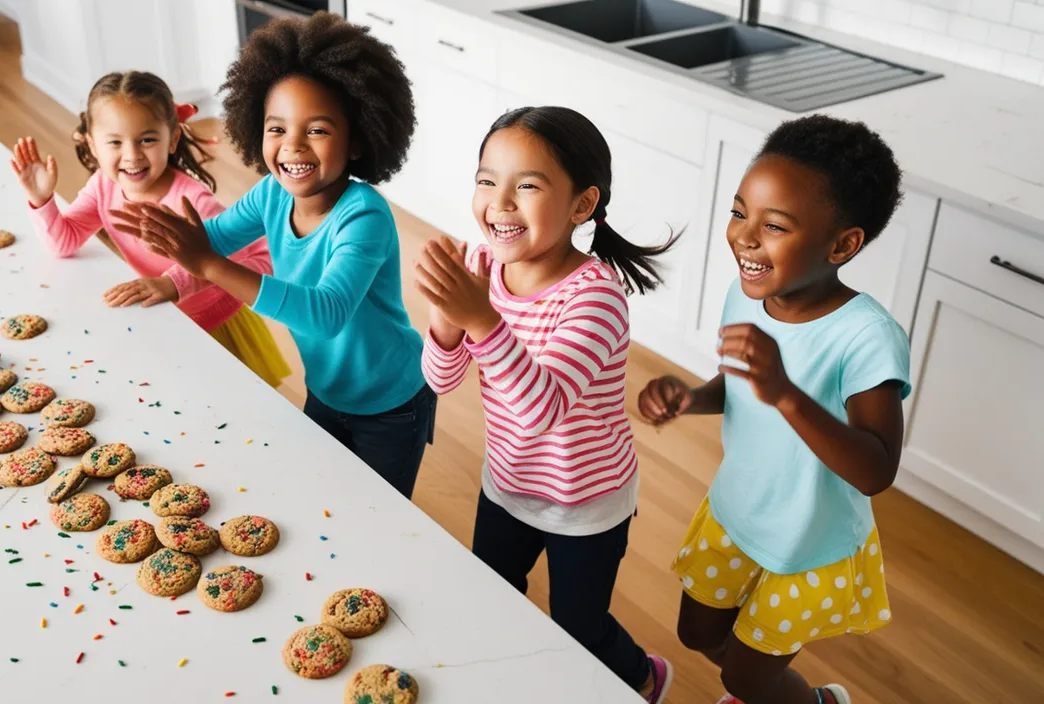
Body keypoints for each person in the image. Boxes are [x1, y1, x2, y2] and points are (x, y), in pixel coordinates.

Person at [637, 114, 910, 704]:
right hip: (737, 511)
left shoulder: (866, 337)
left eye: (774, 226)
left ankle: (815, 701)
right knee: (697, 632)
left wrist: (786, 393)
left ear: (842, 244)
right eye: (740, 213)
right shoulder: (749, 290)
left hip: (807, 545)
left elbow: (876, 468)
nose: (744, 238)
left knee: (743, 678)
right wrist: (691, 397)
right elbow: (740, 384)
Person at [110, 14, 435, 499]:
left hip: (391, 403)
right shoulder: (272, 194)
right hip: (326, 389)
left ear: (359, 139)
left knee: (378, 512)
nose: (292, 146)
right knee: (322, 495)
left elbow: (325, 313)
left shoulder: (364, 218)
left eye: (318, 130)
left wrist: (209, 266)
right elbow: (213, 238)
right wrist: (173, 278)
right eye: (276, 127)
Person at [418, 106, 676, 702]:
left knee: (577, 628)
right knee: (493, 594)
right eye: (487, 180)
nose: (499, 202)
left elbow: (543, 408)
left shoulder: (596, 299)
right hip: (507, 483)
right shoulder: (483, 268)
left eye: (527, 186)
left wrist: (480, 318)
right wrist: (445, 320)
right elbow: (440, 381)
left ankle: (643, 675)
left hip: (585, 502)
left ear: (582, 205)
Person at [12, 70, 290, 387]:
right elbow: (64, 242)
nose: (131, 155)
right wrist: (42, 199)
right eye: (114, 142)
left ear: (172, 139)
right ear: (92, 145)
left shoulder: (193, 201)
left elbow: (262, 260)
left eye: (147, 140)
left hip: (216, 329)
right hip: (162, 320)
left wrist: (174, 283)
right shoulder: (103, 186)